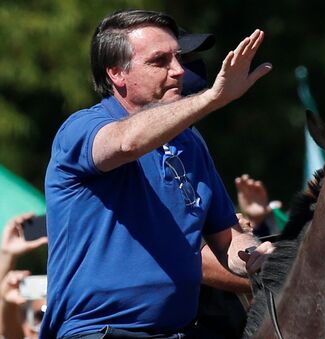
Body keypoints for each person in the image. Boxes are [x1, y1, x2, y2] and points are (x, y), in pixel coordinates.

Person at [41, 9, 274, 338]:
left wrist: (256, 257)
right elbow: (127, 142)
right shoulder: (82, 128)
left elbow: (227, 240)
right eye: (160, 61)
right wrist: (212, 98)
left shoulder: (191, 142)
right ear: (117, 74)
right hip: (99, 332)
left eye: (178, 58)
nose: (179, 71)